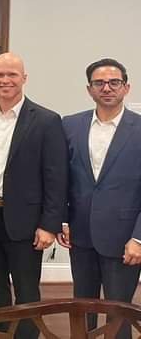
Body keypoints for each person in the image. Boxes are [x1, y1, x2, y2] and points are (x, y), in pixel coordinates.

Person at [0, 52, 68, 339]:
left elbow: (56, 177)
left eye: (12, 74)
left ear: (24, 78)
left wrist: (49, 225)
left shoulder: (46, 120)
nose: (5, 80)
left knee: (26, 290)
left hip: (27, 221)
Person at [58, 58, 141, 339]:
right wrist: (63, 221)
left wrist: (139, 238)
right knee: (82, 309)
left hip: (124, 239)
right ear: (89, 89)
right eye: (99, 83)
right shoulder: (70, 125)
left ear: (126, 87)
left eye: (114, 82)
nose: (107, 88)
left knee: (119, 313)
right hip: (80, 235)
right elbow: (61, 179)